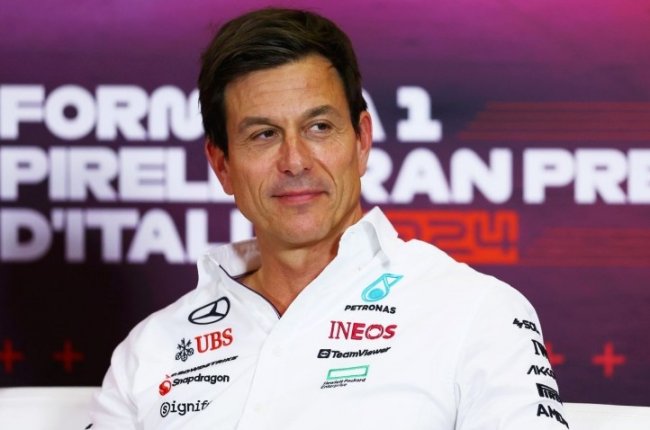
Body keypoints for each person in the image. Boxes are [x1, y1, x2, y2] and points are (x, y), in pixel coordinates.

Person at [89, 7, 568, 429]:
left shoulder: (475, 312)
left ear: (361, 141)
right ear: (222, 165)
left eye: (319, 127)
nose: (295, 160)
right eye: (263, 134)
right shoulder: (150, 350)